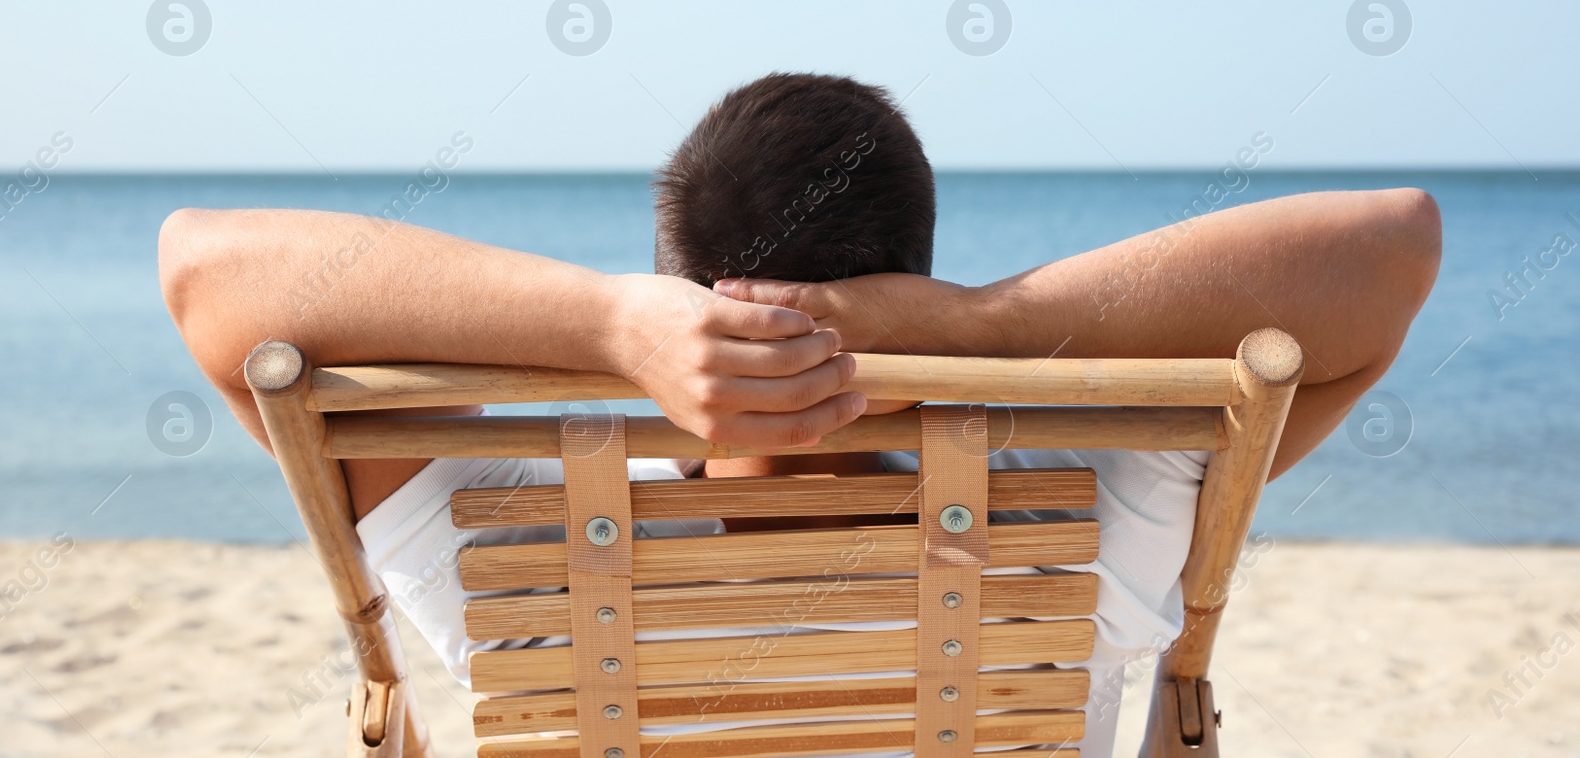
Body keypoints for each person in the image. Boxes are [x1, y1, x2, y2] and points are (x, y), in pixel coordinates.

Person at [158, 73, 1441, 757]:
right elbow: (1389, 246)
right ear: (910, 278)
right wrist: (986, 324)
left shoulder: (529, 554)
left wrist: (610, 328)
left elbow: (207, 272)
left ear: (676, 281)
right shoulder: (1083, 514)